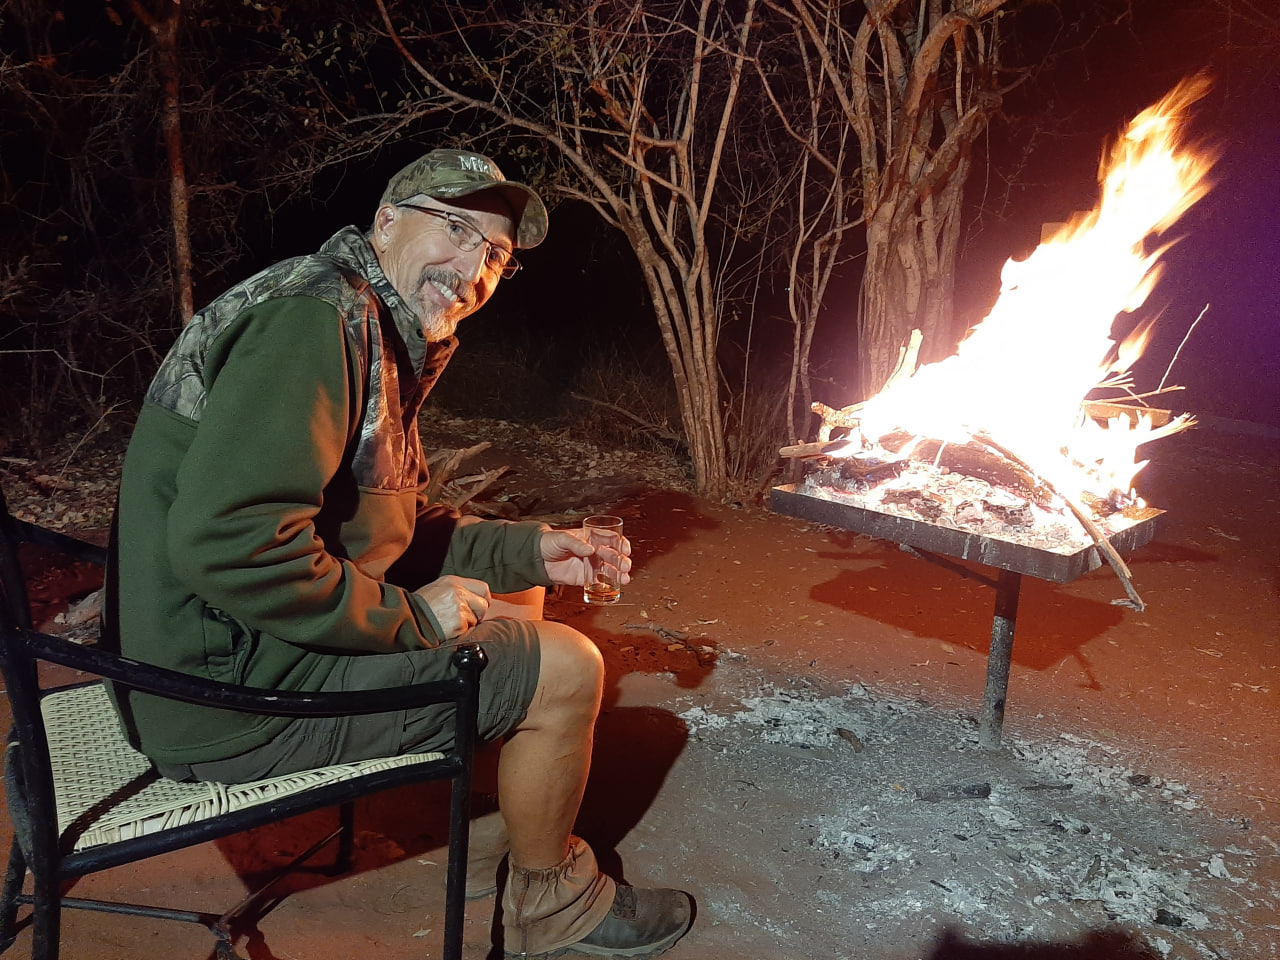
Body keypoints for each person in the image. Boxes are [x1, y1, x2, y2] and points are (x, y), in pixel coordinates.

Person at [110, 148, 693, 959]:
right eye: (455, 228)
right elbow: (232, 545)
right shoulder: (313, 324)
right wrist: (410, 617)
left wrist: (531, 551)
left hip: (232, 651)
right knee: (569, 669)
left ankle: (498, 838)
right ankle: (551, 903)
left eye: (495, 254)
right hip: (228, 696)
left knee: (514, 597)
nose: (474, 267)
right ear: (386, 221)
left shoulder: (362, 315)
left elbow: (365, 530)